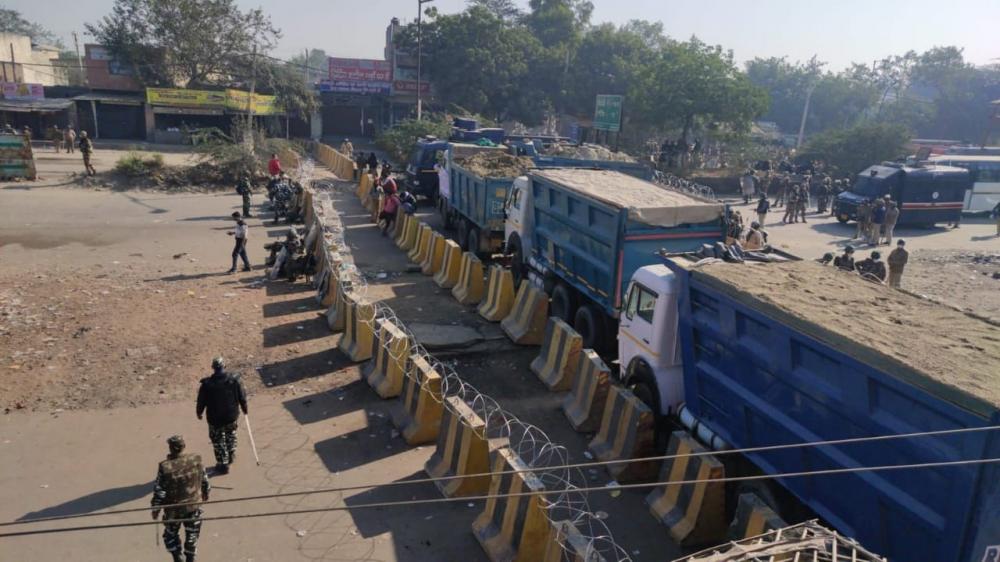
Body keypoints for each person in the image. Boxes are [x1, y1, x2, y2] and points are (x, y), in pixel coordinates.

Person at [150, 435, 210, 562]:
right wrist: (206, 493)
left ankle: (177, 557)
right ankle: (190, 557)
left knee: (170, 534)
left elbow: (160, 491)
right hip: (193, 506)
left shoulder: (165, 467)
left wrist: (155, 508)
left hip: (173, 510)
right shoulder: (196, 459)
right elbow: (204, 480)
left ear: (171, 448)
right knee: (192, 534)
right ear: (183, 447)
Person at [196, 357, 248, 474]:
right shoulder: (235, 380)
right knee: (231, 435)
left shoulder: (207, 384)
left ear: (213, 368)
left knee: (218, 441)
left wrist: (199, 413)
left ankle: (223, 465)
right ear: (224, 366)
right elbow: (242, 396)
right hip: (231, 416)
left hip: (215, 420)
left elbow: (201, 401)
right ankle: (231, 455)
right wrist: (245, 409)